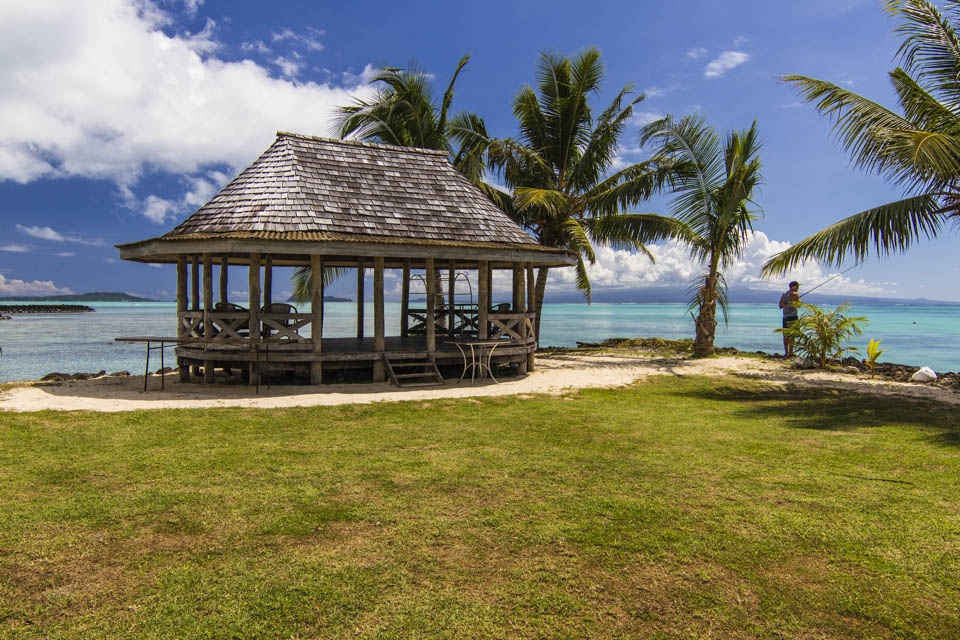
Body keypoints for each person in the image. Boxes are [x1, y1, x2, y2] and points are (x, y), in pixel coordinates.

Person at [779, 281, 800, 356]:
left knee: (786, 335)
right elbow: (798, 305)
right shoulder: (795, 294)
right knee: (792, 335)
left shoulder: (784, 295)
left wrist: (786, 304)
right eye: (798, 286)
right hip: (793, 316)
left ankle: (786, 352)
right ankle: (791, 352)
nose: (798, 288)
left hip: (785, 317)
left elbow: (780, 306)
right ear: (795, 286)